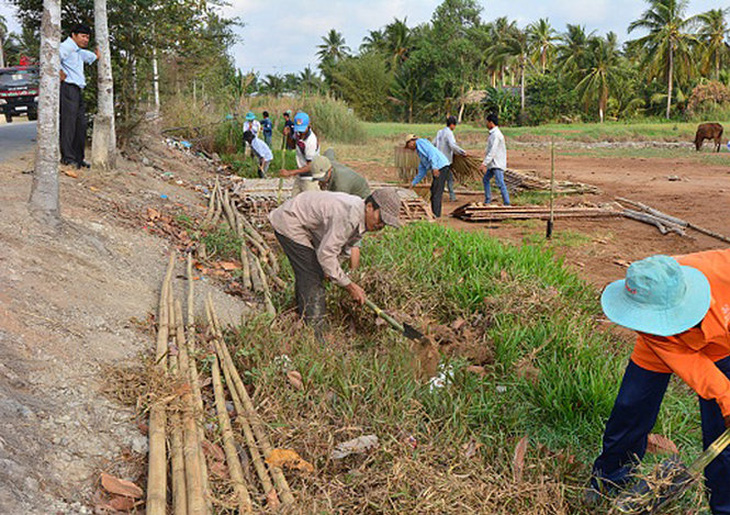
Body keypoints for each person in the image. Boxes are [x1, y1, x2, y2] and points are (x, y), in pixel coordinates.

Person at [588, 251, 730, 514]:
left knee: (722, 432)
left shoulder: (724, 273)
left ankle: (724, 506)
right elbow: (690, 365)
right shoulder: (646, 294)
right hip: (662, 346)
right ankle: (609, 479)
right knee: (631, 407)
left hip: (723, 344)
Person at [269, 188, 402, 332]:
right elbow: (326, 255)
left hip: (306, 226)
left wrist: (333, 271)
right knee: (311, 274)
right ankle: (315, 331)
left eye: (385, 224)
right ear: (369, 207)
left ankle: (302, 313)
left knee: (315, 271)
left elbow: (344, 248)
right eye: (381, 219)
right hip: (290, 221)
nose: (380, 226)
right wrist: (350, 286)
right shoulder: (349, 215)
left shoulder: (360, 217)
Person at [59, 23, 99, 169]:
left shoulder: (77, 51)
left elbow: (88, 56)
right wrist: (58, 71)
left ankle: (78, 158)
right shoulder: (66, 47)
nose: (85, 40)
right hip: (68, 88)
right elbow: (52, 57)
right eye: (83, 36)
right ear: (73, 35)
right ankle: (67, 158)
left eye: (88, 37)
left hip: (77, 90)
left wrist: (96, 55)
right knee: (69, 124)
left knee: (80, 124)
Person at [405, 133, 450, 218]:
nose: (409, 148)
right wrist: (414, 183)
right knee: (434, 190)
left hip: (441, 167)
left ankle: (436, 215)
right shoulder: (419, 151)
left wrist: (435, 167)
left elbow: (431, 153)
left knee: (436, 192)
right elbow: (422, 169)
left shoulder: (420, 143)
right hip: (439, 167)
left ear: (411, 142)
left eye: (408, 145)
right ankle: (435, 213)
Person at [280, 112, 319, 197]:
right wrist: (288, 135)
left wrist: (290, 173)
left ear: (309, 125)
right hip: (300, 175)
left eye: (302, 130)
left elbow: (310, 166)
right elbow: (292, 145)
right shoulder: (297, 133)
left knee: (309, 204)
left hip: (310, 177)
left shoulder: (311, 141)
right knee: (294, 201)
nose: (300, 133)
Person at [433, 116, 467, 202]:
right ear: (452, 125)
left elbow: (433, 143)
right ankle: (441, 197)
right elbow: (452, 146)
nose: (454, 127)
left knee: (445, 178)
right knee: (446, 179)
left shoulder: (440, 132)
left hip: (438, 160)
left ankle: (451, 196)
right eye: (454, 125)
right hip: (445, 161)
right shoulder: (449, 133)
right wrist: (462, 152)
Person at [478, 113, 510, 206]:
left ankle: (507, 202)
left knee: (500, 182)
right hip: (493, 163)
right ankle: (488, 200)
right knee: (486, 179)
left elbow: (493, 151)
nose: (486, 124)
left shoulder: (496, 135)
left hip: (497, 163)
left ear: (491, 123)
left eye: (487, 122)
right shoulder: (493, 134)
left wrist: (484, 163)